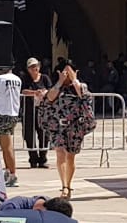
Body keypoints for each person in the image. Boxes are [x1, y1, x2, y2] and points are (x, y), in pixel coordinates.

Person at [39, 61, 96, 199]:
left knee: (70, 156)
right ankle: (64, 185)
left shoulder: (80, 87)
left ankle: (68, 184)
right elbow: (49, 98)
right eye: (64, 72)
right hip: (58, 126)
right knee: (60, 152)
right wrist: (60, 82)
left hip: (75, 126)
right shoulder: (56, 88)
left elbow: (85, 97)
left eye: (69, 72)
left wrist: (74, 79)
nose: (67, 75)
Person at [0, 66, 25, 188]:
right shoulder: (17, 79)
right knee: (5, 145)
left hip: (3, 113)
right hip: (13, 113)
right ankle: (9, 171)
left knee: (7, 146)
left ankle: (12, 174)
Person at [19, 58, 53, 169]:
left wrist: (44, 93)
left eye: (36, 66)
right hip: (29, 110)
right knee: (29, 135)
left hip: (43, 110)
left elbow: (51, 90)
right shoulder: (25, 79)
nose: (35, 68)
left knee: (44, 134)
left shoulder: (45, 78)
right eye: (32, 67)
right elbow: (23, 90)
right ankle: (33, 159)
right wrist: (34, 92)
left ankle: (43, 159)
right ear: (28, 69)